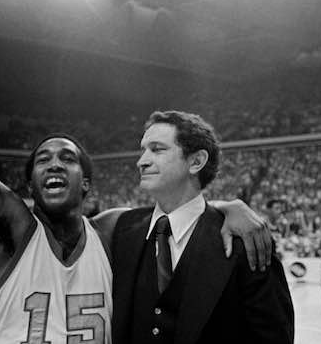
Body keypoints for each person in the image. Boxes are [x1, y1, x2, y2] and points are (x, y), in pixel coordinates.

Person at [0, 0, 273, 343]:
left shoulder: (111, 233)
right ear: (30, 186)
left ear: (86, 182)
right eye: (42, 159)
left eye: (67, 158)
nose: (54, 163)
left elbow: (181, 212)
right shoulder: (6, 230)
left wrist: (229, 207)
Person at [112, 111, 295, 344]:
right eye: (143, 150)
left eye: (157, 149)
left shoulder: (246, 241)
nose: (142, 161)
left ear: (196, 161)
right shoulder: (121, 230)